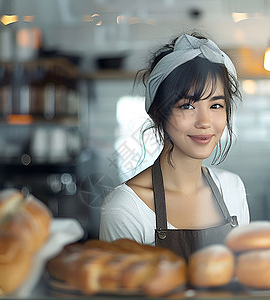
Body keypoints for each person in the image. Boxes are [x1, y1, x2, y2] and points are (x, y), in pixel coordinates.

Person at [99, 32, 250, 261]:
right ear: (160, 113)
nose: (205, 122)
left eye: (216, 105)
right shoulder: (126, 208)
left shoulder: (232, 189)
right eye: (187, 106)